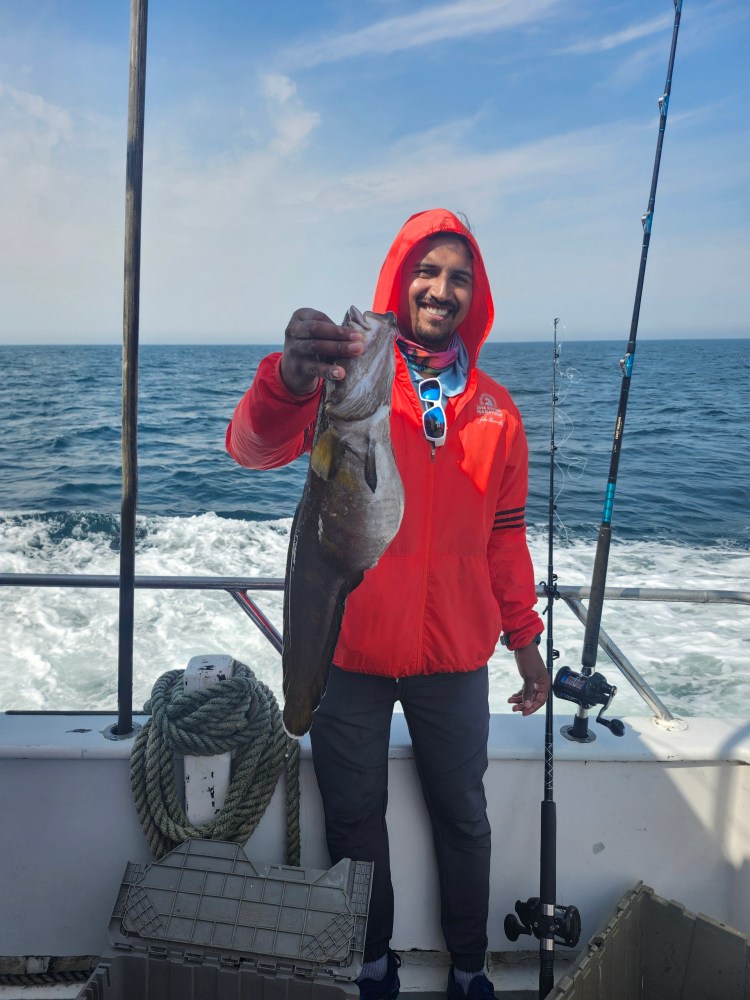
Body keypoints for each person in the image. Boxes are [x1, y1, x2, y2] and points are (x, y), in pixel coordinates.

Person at [226, 209, 548, 1000]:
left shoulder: (499, 411)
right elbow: (252, 446)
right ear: (399, 282)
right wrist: (292, 380)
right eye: (426, 270)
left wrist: (526, 638)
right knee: (354, 818)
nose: (441, 288)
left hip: (454, 657)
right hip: (353, 647)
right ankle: (373, 961)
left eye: (459, 277)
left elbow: (506, 537)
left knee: (464, 821)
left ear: (478, 296)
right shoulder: (350, 386)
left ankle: (469, 966)